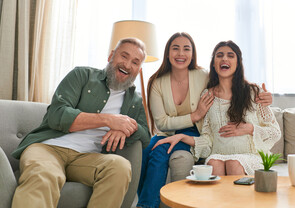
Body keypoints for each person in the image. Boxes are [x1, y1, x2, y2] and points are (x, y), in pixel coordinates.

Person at [136, 33, 273, 208]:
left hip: (194, 131)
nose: (181, 53)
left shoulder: (203, 76)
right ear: (167, 53)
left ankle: (146, 205)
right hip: (167, 132)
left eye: (186, 49)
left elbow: (232, 80)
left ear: (193, 54)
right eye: (175, 48)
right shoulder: (157, 82)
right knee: (148, 150)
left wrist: (266, 98)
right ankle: (146, 203)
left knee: (160, 153)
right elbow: (162, 123)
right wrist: (195, 116)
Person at [11, 38, 151, 208]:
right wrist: (108, 120)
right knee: (43, 174)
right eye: (124, 56)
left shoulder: (134, 101)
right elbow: (57, 114)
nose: (128, 65)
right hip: (48, 147)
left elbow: (145, 136)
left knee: (120, 167)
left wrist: (126, 127)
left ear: (138, 70)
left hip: (88, 158)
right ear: (111, 56)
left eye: (135, 62)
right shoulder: (82, 75)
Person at [153, 40, 281, 176]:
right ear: (214, 63)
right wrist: (181, 137)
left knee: (234, 163)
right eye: (219, 55)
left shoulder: (254, 92)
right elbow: (208, 140)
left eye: (230, 55)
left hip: (249, 156)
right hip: (219, 155)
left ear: (238, 63)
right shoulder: (207, 96)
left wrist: (249, 128)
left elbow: (275, 132)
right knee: (213, 163)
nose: (224, 58)